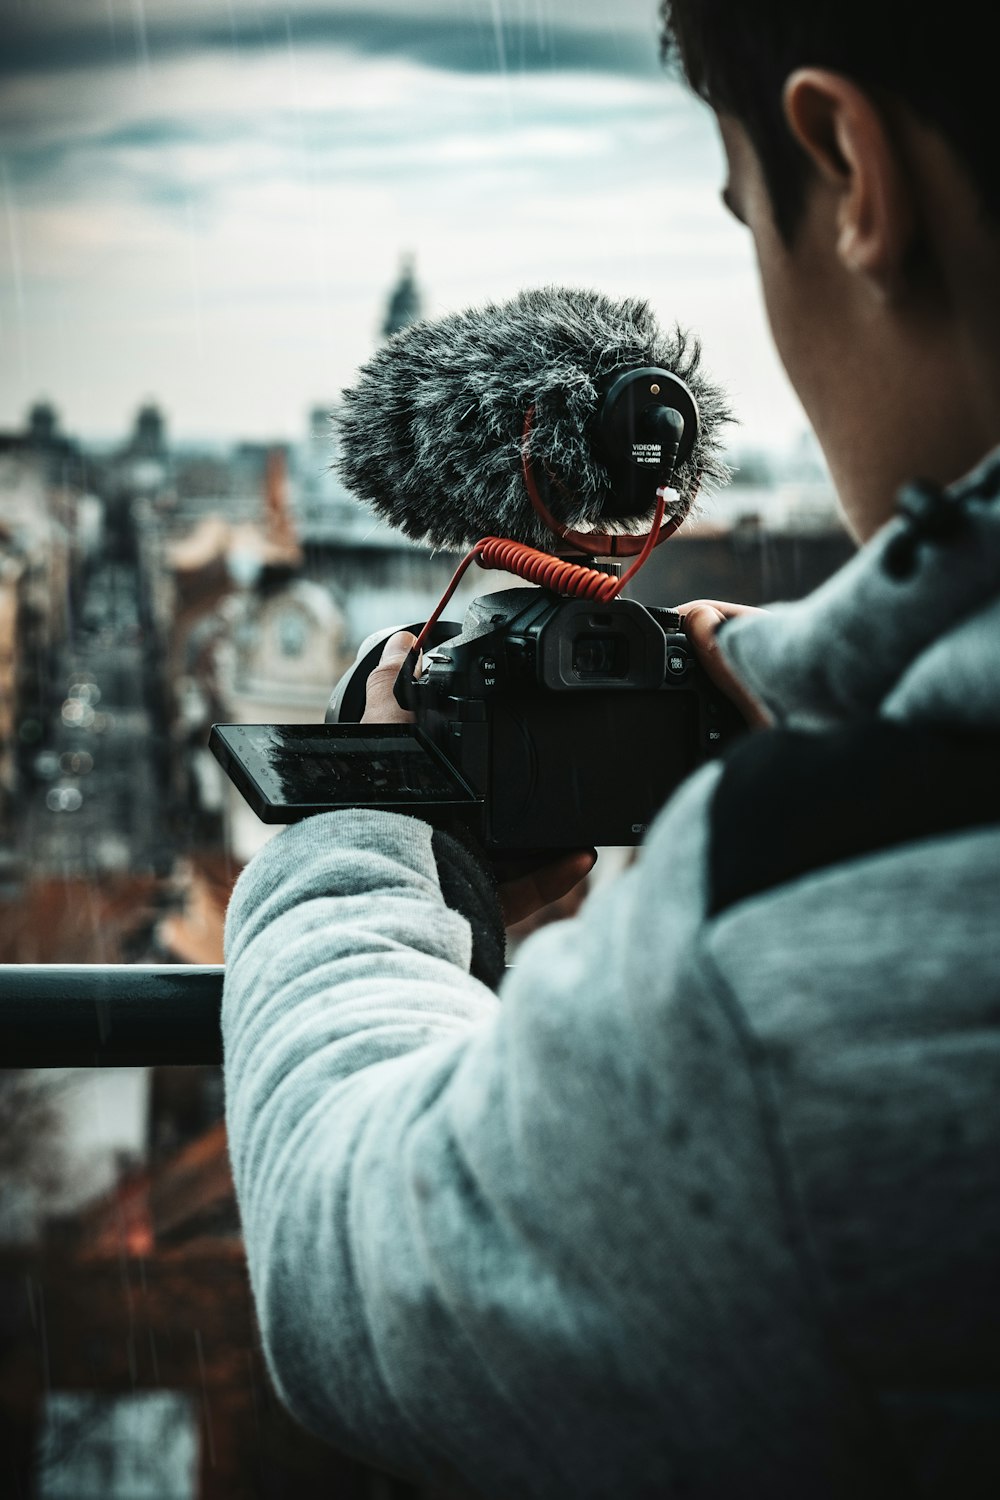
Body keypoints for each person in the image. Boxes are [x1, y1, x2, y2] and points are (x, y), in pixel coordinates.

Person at [222, 3, 1000, 1494]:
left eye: (744, 221)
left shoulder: (787, 948)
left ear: (851, 175)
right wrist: (820, 670)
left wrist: (354, 842)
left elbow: (354, 1258)